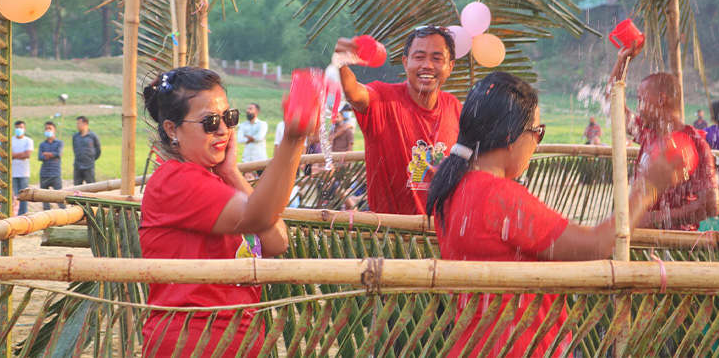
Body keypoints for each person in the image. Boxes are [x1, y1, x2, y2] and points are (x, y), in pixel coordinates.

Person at [426, 72, 687, 358]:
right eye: (538, 132)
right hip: (519, 345)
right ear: (511, 135)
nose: (537, 143)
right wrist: (647, 187)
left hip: (475, 343)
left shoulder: (453, 186)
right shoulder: (497, 197)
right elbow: (595, 246)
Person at [139, 67, 312, 357]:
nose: (223, 130)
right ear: (172, 129)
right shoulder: (175, 180)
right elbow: (259, 217)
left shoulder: (214, 180)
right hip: (192, 345)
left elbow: (276, 241)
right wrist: (293, 139)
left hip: (233, 343)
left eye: (229, 118)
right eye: (210, 122)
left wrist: (231, 172)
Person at [334, 25, 462, 215]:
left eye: (437, 58)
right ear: (405, 62)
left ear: (450, 66)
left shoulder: (455, 108)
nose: (427, 65)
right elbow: (352, 92)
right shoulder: (382, 98)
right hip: (389, 237)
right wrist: (341, 63)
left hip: (436, 239)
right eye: (419, 57)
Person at [608, 40, 719, 230]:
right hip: (645, 241)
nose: (639, 107)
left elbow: (710, 205)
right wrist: (622, 61)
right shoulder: (647, 132)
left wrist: (655, 219)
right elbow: (613, 107)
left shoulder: (695, 143)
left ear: (661, 99)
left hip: (676, 249)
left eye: (641, 99)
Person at [38, 121, 64, 210]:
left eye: (50, 128)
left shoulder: (59, 143)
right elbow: (40, 157)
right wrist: (51, 154)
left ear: (54, 130)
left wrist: (46, 154)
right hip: (44, 173)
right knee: (44, 198)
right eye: (46, 128)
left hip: (55, 173)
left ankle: (65, 216)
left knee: (60, 197)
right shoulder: (42, 144)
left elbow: (58, 154)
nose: (48, 130)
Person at [11, 120, 33, 215]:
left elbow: (27, 154)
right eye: (17, 127)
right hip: (13, 172)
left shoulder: (28, 140)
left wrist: (14, 155)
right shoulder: (11, 140)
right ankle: (15, 214)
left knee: (24, 195)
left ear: (24, 129)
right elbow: (9, 155)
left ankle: (23, 213)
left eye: (21, 127)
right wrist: (21, 153)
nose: (19, 129)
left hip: (23, 172)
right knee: (14, 195)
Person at [72, 116, 101, 185]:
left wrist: (91, 159)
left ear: (85, 124)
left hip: (89, 166)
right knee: (77, 188)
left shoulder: (93, 136)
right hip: (77, 166)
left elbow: (98, 151)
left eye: (79, 123)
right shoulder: (75, 136)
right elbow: (75, 149)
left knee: (91, 187)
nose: (77, 125)